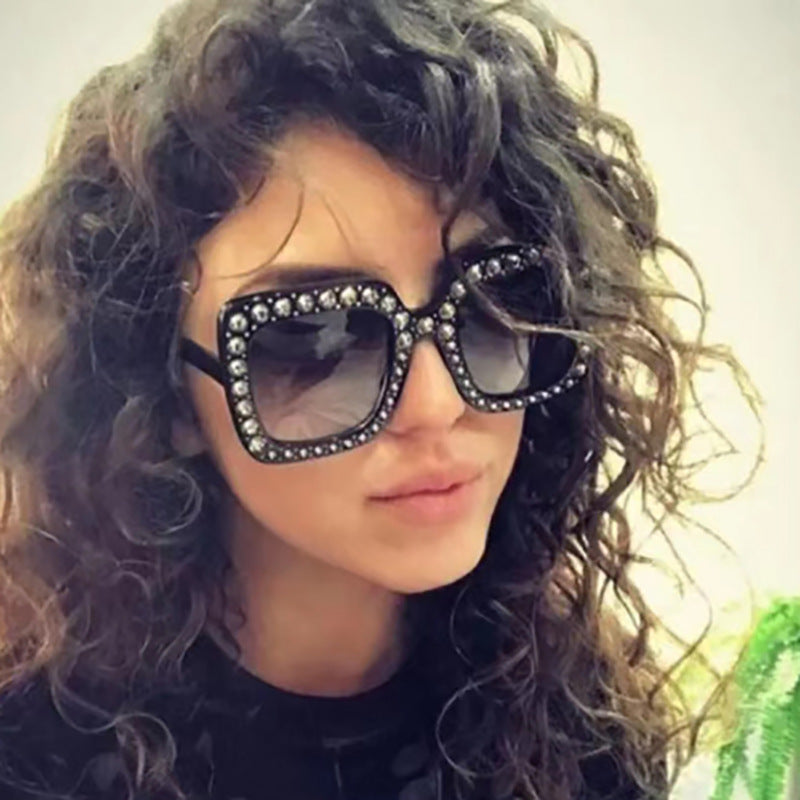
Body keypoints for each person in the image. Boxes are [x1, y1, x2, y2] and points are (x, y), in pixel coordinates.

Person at [0, 0, 760, 798]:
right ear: (166, 396)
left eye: (495, 304)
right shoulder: (30, 755)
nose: (437, 404)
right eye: (315, 340)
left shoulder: (580, 731)